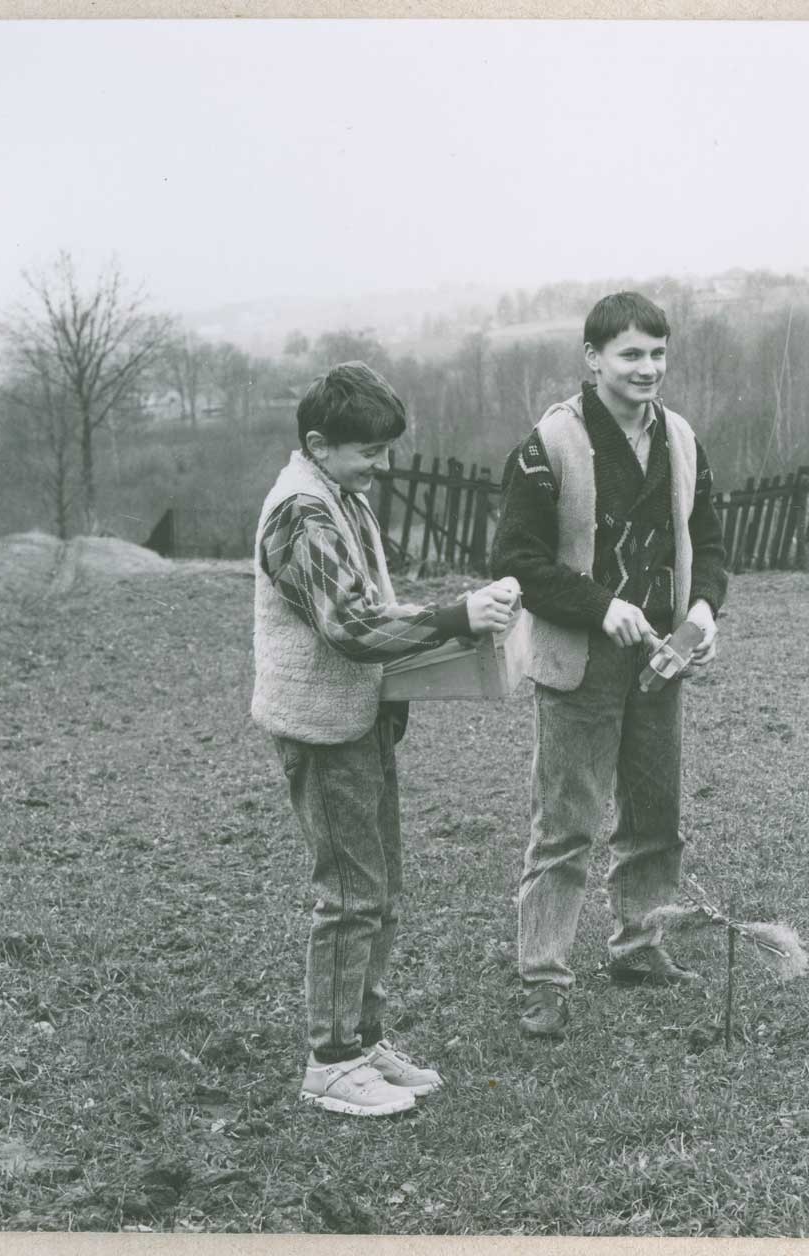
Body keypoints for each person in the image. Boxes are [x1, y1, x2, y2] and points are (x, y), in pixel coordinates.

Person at [252, 363, 521, 1116]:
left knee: (378, 889)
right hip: (321, 727)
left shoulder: (342, 496)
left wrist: (453, 620)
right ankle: (330, 1063)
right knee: (348, 895)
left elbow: (373, 603)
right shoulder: (299, 515)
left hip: (360, 717)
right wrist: (456, 617)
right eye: (368, 451)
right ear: (318, 444)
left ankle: (362, 1042)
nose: (382, 464)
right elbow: (353, 626)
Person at [491, 291, 730, 1040]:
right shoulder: (548, 443)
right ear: (592, 358)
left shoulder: (682, 439)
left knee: (655, 818)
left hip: (660, 663)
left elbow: (710, 541)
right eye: (630, 354)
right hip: (579, 663)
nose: (647, 368)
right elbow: (516, 561)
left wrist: (702, 612)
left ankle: (638, 945)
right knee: (566, 824)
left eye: (657, 354)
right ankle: (543, 978)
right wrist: (599, 607)